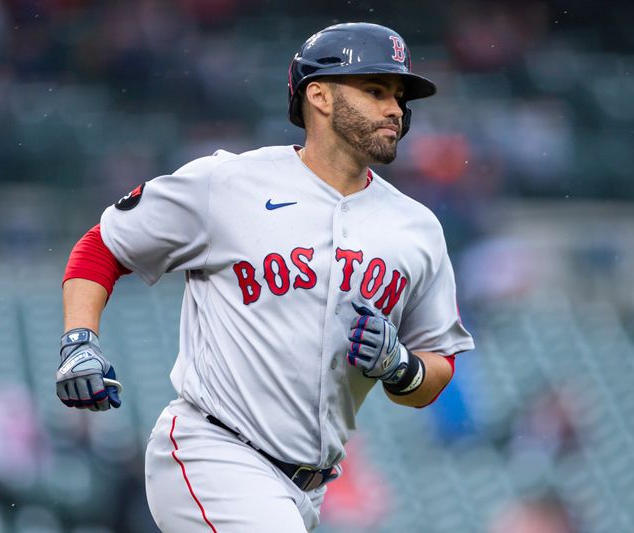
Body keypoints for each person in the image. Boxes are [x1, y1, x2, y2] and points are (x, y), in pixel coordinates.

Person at [56, 22, 474, 532]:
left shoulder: (417, 228)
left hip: (309, 490)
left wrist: (401, 366)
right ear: (318, 96)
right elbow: (103, 245)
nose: (395, 109)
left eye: (399, 96)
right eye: (375, 90)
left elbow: (438, 366)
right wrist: (79, 339)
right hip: (214, 450)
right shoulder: (230, 183)